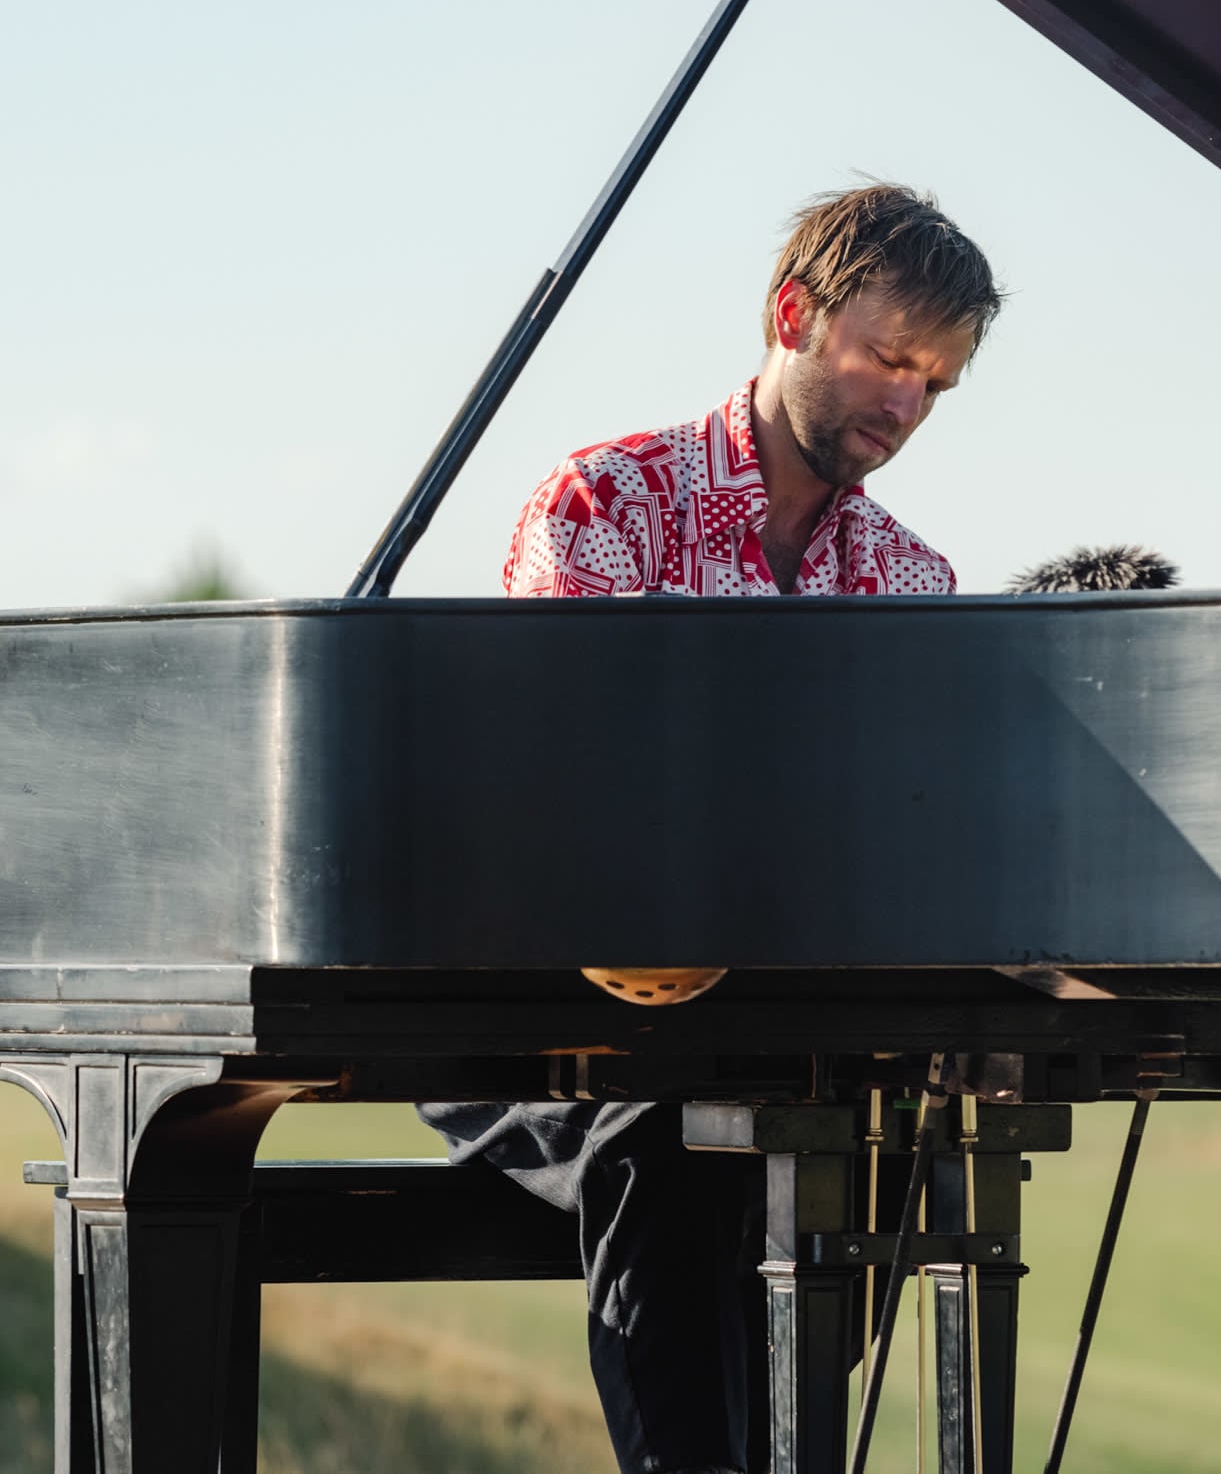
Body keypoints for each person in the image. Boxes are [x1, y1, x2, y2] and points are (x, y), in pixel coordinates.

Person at [422, 182, 1003, 1474]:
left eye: (937, 384)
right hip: (552, 1013)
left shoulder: (913, 580)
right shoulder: (603, 504)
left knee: (903, 1149)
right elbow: (565, 810)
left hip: (778, 1021)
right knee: (681, 1136)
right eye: (887, 359)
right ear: (791, 315)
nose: (905, 405)